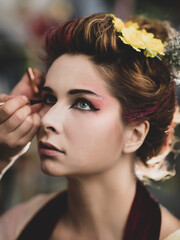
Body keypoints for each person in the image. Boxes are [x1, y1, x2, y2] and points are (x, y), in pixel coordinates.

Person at [0, 13, 180, 240]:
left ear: (134, 134)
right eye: (49, 99)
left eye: (83, 103)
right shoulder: (18, 225)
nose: (47, 120)